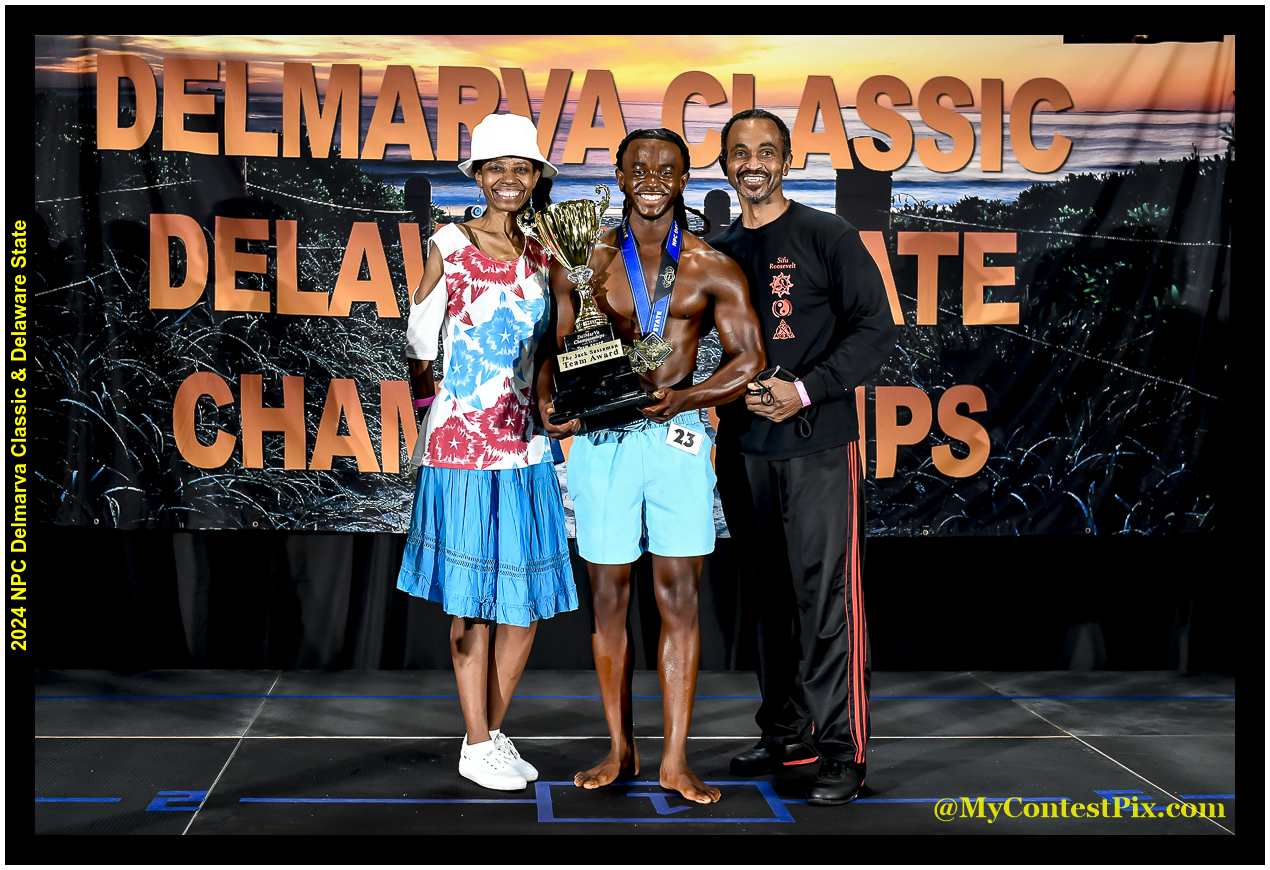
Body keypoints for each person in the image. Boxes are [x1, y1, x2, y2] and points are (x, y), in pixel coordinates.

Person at [538, 128, 765, 804]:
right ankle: (619, 749)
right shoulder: (581, 255)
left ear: (685, 179)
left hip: (676, 439)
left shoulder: (711, 265)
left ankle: (674, 760)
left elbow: (750, 358)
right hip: (602, 441)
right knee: (608, 597)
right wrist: (551, 402)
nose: (652, 179)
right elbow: (552, 346)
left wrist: (689, 398)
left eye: (667, 169)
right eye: (639, 168)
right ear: (619, 175)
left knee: (679, 597)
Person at [710, 109, 898, 806]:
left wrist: (804, 390)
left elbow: (875, 329)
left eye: (766, 152)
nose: (752, 163)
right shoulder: (719, 250)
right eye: (739, 153)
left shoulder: (827, 234)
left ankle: (843, 749)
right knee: (769, 597)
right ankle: (786, 732)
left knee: (827, 597)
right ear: (724, 164)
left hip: (817, 443)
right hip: (744, 448)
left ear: (787, 161)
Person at [398, 113, 577, 792]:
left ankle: (490, 736)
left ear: (534, 178)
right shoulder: (448, 242)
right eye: (495, 167)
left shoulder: (545, 253)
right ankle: (475, 741)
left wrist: (555, 403)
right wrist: (434, 415)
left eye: (520, 168)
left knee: (523, 607)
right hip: (462, 449)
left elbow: (553, 349)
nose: (508, 179)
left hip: (527, 446)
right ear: (477, 176)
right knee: (472, 603)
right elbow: (419, 347)